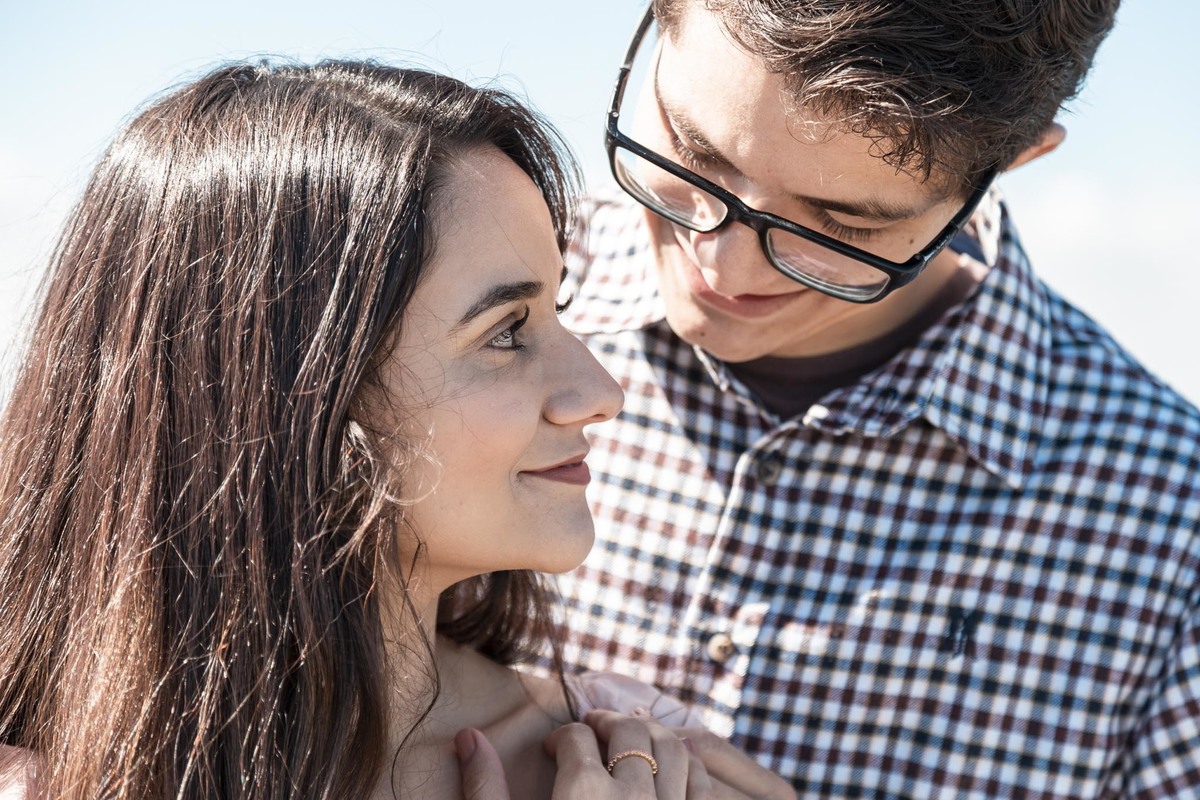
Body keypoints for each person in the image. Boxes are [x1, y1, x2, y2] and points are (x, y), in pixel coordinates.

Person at [0, 60, 795, 800]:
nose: (601, 391)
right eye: (506, 331)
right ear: (296, 395)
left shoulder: (642, 772)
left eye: (561, 309)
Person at [553, 0, 1200, 796]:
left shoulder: (1173, 539)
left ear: (1014, 162)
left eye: (842, 225)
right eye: (695, 153)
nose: (725, 267)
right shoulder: (440, 313)